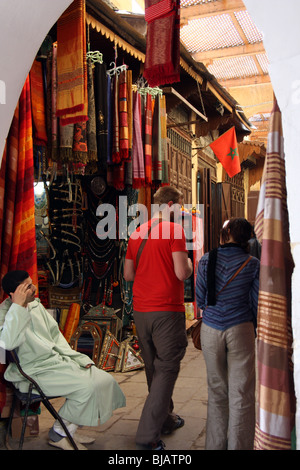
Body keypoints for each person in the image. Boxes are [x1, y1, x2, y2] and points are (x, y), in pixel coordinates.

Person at [0, 270, 126, 450]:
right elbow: (9, 343)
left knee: (103, 380)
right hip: (32, 372)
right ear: (14, 293)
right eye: (28, 287)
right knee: (86, 388)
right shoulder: (5, 314)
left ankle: (70, 429)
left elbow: (55, 337)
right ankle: (59, 434)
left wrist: (77, 358)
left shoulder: (36, 305)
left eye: (31, 283)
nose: (34, 288)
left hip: (56, 362)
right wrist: (18, 308)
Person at [124, 186, 193, 450]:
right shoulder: (175, 231)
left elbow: (129, 275)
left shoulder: (136, 232)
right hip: (166, 309)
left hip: (141, 311)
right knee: (167, 368)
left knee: (154, 368)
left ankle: (165, 419)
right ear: (172, 205)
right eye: (181, 208)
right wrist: (189, 265)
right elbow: (180, 273)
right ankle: (147, 435)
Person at [195, 217, 260, 450]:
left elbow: (201, 300)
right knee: (241, 392)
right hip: (241, 327)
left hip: (211, 329)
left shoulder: (205, 260)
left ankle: (215, 445)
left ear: (227, 233)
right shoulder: (252, 264)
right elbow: (256, 303)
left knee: (216, 390)